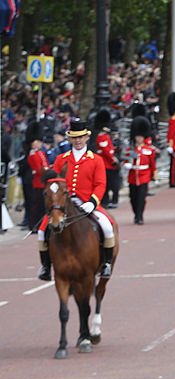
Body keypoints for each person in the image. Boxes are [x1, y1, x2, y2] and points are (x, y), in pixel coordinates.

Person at [38, 119, 117, 280]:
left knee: (107, 227)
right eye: (74, 137)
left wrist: (93, 202)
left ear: (86, 137)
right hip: (64, 204)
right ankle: (46, 267)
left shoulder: (96, 159)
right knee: (42, 231)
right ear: (70, 139)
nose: (78, 140)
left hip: (88, 202)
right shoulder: (61, 159)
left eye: (80, 137)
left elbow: (101, 184)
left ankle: (106, 263)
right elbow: (54, 183)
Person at [123, 116, 157, 225]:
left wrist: (154, 175)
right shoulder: (130, 149)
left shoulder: (149, 150)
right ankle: (136, 213)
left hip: (144, 176)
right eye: (137, 136)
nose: (139, 139)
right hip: (133, 176)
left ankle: (139, 216)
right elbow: (125, 160)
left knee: (141, 198)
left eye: (141, 137)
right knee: (133, 198)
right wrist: (126, 164)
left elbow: (152, 164)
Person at [24, 120, 49, 231]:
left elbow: (45, 165)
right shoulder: (33, 154)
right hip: (38, 182)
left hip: (43, 182)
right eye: (36, 142)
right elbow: (38, 169)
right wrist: (46, 170)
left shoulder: (41, 153)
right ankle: (33, 225)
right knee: (36, 206)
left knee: (42, 206)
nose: (38, 143)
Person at [93, 109, 120, 209]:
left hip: (108, 164)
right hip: (107, 164)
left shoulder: (104, 136)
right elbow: (106, 151)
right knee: (107, 183)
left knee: (111, 183)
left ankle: (109, 201)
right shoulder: (102, 137)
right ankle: (107, 201)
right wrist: (113, 160)